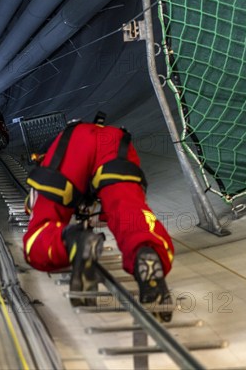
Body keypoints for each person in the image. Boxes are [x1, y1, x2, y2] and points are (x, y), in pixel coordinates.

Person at [23, 114, 174, 321]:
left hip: (75, 141)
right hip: (114, 141)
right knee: (130, 213)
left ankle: (73, 241)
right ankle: (145, 251)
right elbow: (112, 214)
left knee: (38, 235)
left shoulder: (51, 155)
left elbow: (37, 205)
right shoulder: (109, 136)